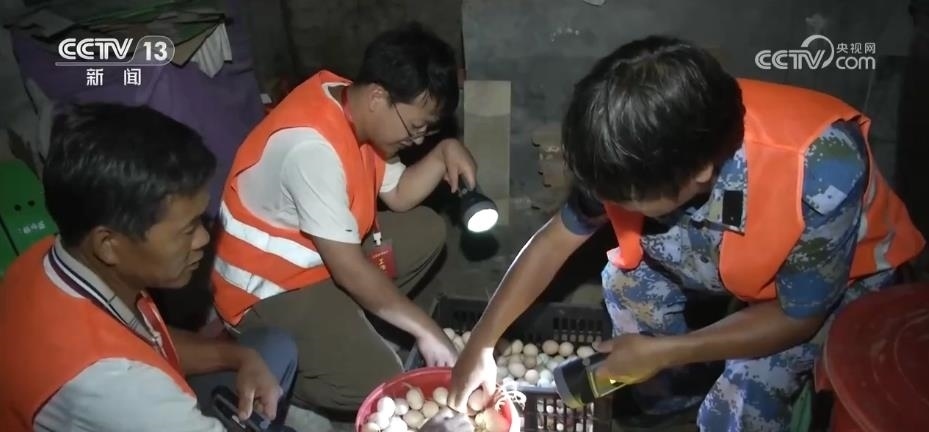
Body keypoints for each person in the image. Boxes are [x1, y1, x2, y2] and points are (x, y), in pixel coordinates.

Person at [448, 36, 926, 431]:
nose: (609, 205)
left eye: (627, 199)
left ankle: (692, 381)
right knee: (628, 287)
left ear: (698, 172)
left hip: (831, 283)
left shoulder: (821, 170)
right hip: (719, 247)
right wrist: (481, 344)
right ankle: (671, 402)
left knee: (736, 408)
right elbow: (554, 241)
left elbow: (798, 316)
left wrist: (666, 352)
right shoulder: (633, 140)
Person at [209, 21, 477, 413]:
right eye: (416, 127)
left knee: (427, 231)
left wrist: (443, 152)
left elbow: (399, 194)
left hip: (323, 262)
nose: (418, 139)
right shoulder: (311, 149)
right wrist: (427, 329)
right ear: (378, 97)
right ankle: (279, 374)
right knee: (382, 383)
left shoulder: (350, 100)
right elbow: (350, 271)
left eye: (427, 131)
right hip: (267, 290)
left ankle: (347, 323)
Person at [0, 103, 299, 432]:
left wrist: (239, 357)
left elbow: (148, 340)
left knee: (269, 347)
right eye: (187, 229)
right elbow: (126, 374)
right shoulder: (114, 387)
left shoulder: (50, 258)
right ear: (108, 244)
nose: (203, 238)